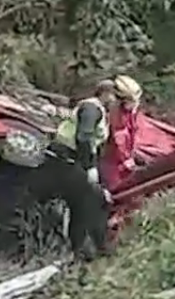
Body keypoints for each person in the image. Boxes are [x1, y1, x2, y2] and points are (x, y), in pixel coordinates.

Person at [53, 79, 119, 258]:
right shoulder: (92, 109)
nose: (115, 101)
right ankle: (85, 248)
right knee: (88, 201)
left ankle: (86, 246)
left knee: (89, 201)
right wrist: (89, 167)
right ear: (105, 94)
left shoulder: (96, 109)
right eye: (114, 96)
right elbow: (83, 138)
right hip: (68, 157)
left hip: (71, 157)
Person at [102, 75, 143, 191]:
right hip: (113, 161)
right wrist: (125, 159)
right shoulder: (116, 114)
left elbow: (132, 130)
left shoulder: (129, 112)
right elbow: (119, 139)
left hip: (124, 157)